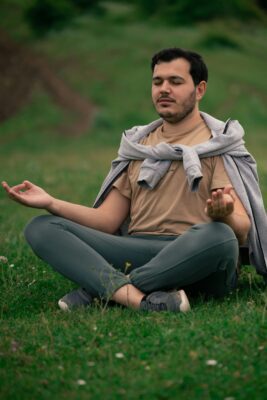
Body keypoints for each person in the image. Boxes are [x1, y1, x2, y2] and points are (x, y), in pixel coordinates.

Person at [2, 48, 267, 314]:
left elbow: (241, 229)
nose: (164, 89)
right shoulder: (138, 147)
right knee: (42, 227)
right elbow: (106, 221)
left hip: (196, 255)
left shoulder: (218, 144)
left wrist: (225, 215)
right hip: (137, 250)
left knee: (220, 236)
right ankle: (141, 300)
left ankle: (105, 290)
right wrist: (51, 202)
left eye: (175, 82)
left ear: (199, 90)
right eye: (157, 82)